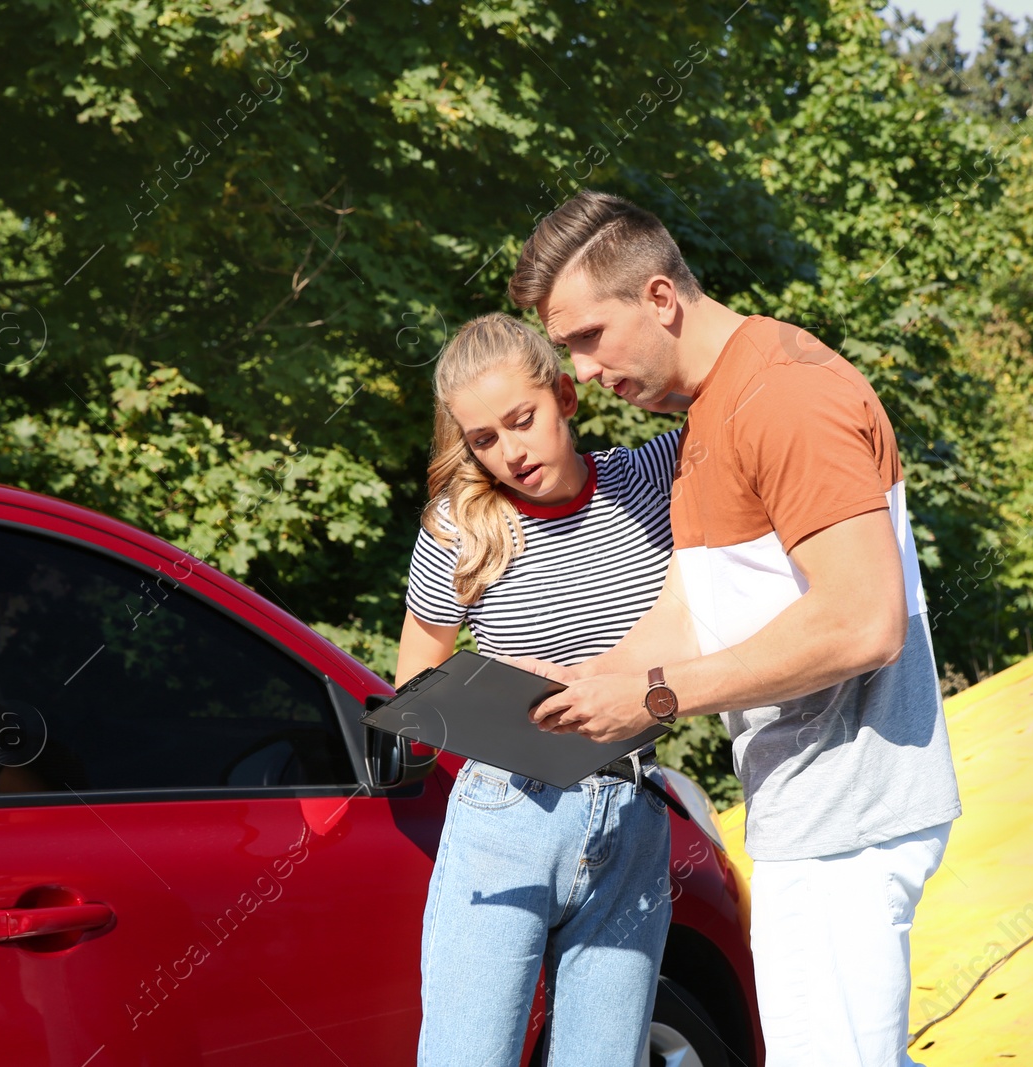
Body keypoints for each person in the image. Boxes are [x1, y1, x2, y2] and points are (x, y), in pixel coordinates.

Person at [506, 190, 963, 1067]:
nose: (584, 373)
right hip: (804, 815)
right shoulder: (706, 415)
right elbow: (689, 611)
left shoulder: (785, 397)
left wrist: (656, 696)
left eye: (588, 337)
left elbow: (864, 623)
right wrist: (577, 687)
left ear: (660, 299)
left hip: (853, 821)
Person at [395, 312, 682, 1067]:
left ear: (566, 395)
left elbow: (732, 395)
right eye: (484, 439)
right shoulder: (460, 527)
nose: (510, 452)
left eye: (522, 420)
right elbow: (414, 684)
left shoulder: (651, 479)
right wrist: (520, 690)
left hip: (632, 812)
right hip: (506, 814)